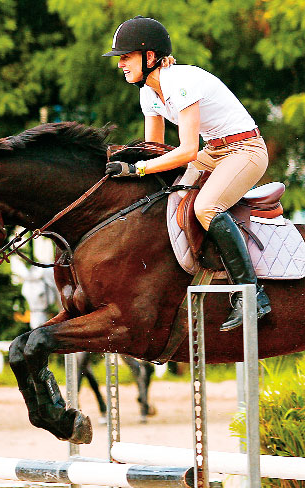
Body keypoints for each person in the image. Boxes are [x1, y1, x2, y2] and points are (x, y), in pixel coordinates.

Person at [102, 16, 271, 332]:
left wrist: (138, 169)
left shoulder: (179, 82)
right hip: (215, 152)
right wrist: (124, 163)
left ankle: (251, 296)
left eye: (125, 57)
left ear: (149, 57)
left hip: (245, 151)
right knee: (161, 197)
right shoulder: (148, 92)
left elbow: (187, 151)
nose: (121, 64)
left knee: (206, 207)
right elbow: (155, 149)